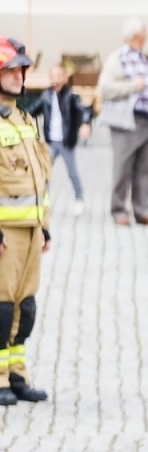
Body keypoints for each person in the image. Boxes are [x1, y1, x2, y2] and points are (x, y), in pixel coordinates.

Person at [0, 38, 52, 406]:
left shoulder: (25, 119)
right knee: (1, 308)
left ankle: (17, 373)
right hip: (5, 234)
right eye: (11, 70)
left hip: (31, 230)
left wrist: (44, 225)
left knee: (25, 307)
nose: (19, 76)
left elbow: (40, 179)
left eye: (22, 70)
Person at [98, 17, 148, 225]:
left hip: (146, 121)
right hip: (126, 121)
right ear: (137, 35)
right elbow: (105, 89)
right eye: (145, 32)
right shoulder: (117, 58)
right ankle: (118, 210)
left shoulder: (140, 58)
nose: (146, 36)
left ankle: (142, 210)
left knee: (143, 169)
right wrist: (133, 86)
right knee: (122, 167)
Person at [30, 65, 90, 215]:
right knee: (44, 171)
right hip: (51, 141)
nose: (55, 79)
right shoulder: (46, 96)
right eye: (52, 76)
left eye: (58, 76)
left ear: (65, 78)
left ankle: (79, 199)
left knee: (72, 172)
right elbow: (32, 110)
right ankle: (44, 200)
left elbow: (85, 110)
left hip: (66, 141)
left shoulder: (71, 96)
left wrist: (85, 123)